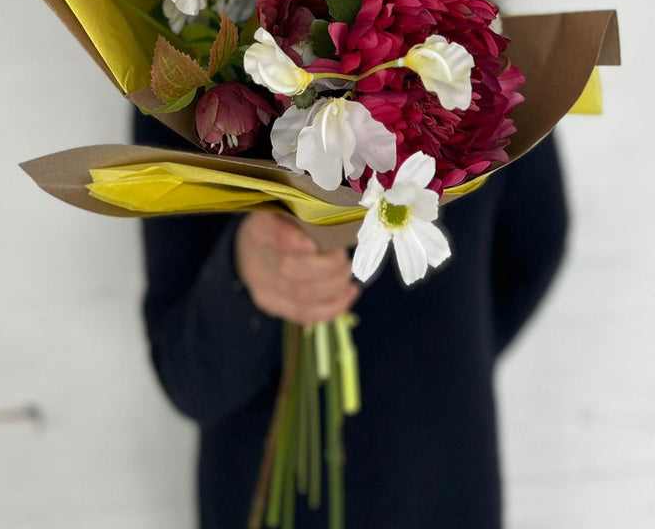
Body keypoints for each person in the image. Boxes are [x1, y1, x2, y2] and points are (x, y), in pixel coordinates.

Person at [133, 107, 568, 529]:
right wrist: (242, 276)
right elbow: (186, 377)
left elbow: (535, 247)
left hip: (440, 486)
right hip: (295, 488)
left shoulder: (489, 58)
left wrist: (451, 362)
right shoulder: (182, 69)